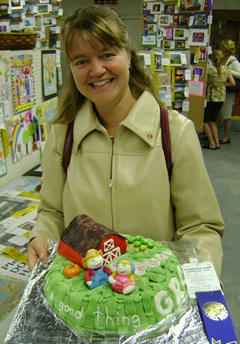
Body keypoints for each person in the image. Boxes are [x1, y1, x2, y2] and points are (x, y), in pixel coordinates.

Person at [27, 5, 224, 279]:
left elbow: (199, 227)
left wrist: (201, 287)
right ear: (71, 69)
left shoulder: (175, 132)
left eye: (107, 54)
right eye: (81, 61)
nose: (96, 70)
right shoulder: (63, 135)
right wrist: (40, 236)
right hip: (88, 296)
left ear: (129, 57)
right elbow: (52, 211)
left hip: (154, 296)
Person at [202, 50, 235, 150]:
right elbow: (233, 83)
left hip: (211, 98)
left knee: (205, 121)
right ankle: (217, 143)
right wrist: (224, 84)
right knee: (213, 120)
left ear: (212, 59)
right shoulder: (226, 69)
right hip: (221, 98)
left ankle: (212, 143)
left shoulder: (210, 69)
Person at [218, 39, 240, 144]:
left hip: (229, 91)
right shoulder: (223, 59)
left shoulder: (233, 61)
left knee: (227, 114)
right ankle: (216, 135)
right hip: (222, 90)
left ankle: (226, 137)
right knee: (218, 113)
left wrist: (228, 70)